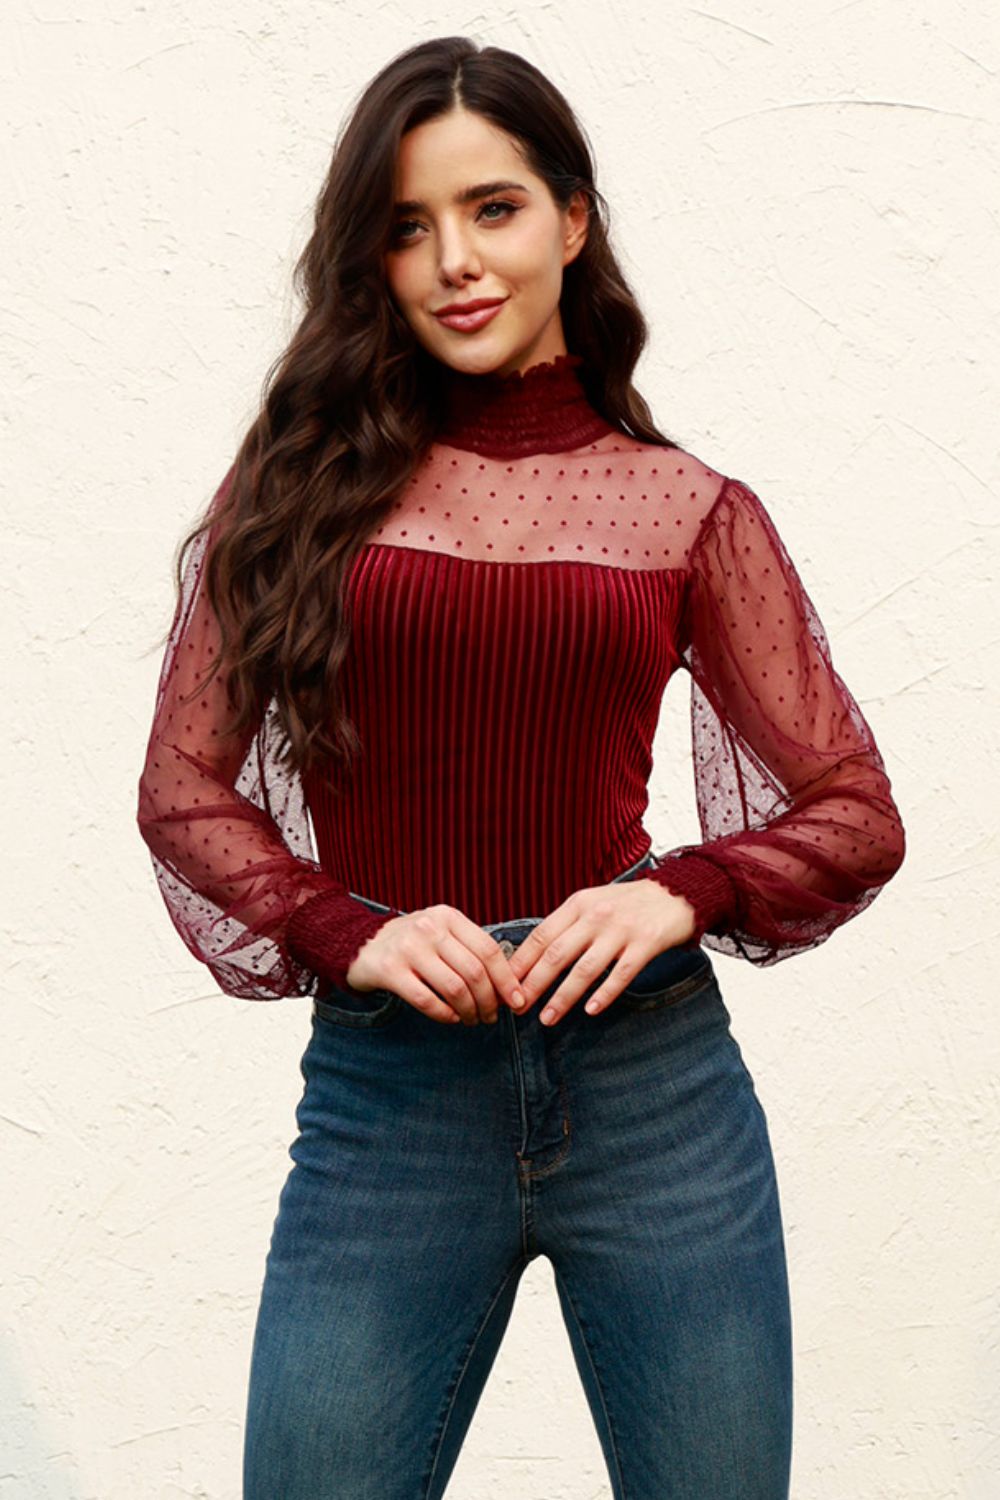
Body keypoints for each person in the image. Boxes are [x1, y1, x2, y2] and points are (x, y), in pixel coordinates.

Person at [135, 35, 906, 1500]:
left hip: (653, 1089)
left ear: (572, 219)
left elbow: (856, 811)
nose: (454, 262)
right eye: (407, 226)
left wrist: (680, 890)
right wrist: (348, 928)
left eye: (492, 208)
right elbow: (182, 787)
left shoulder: (687, 509)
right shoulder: (297, 487)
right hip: (390, 1097)